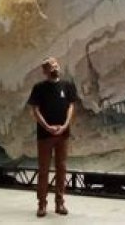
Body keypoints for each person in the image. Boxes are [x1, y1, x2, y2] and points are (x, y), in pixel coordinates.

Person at [27, 57, 77, 218]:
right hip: (45, 135)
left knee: (61, 168)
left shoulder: (67, 86)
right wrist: (47, 126)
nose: (54, 68)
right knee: (43, 170)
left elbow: (71, 106)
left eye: (56, 65)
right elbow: (35, 110)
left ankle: (60, 202)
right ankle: (42, 204)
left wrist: (65, 125)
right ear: (44, 71)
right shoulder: (39, 88)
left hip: (63, 134)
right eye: (50, 66)